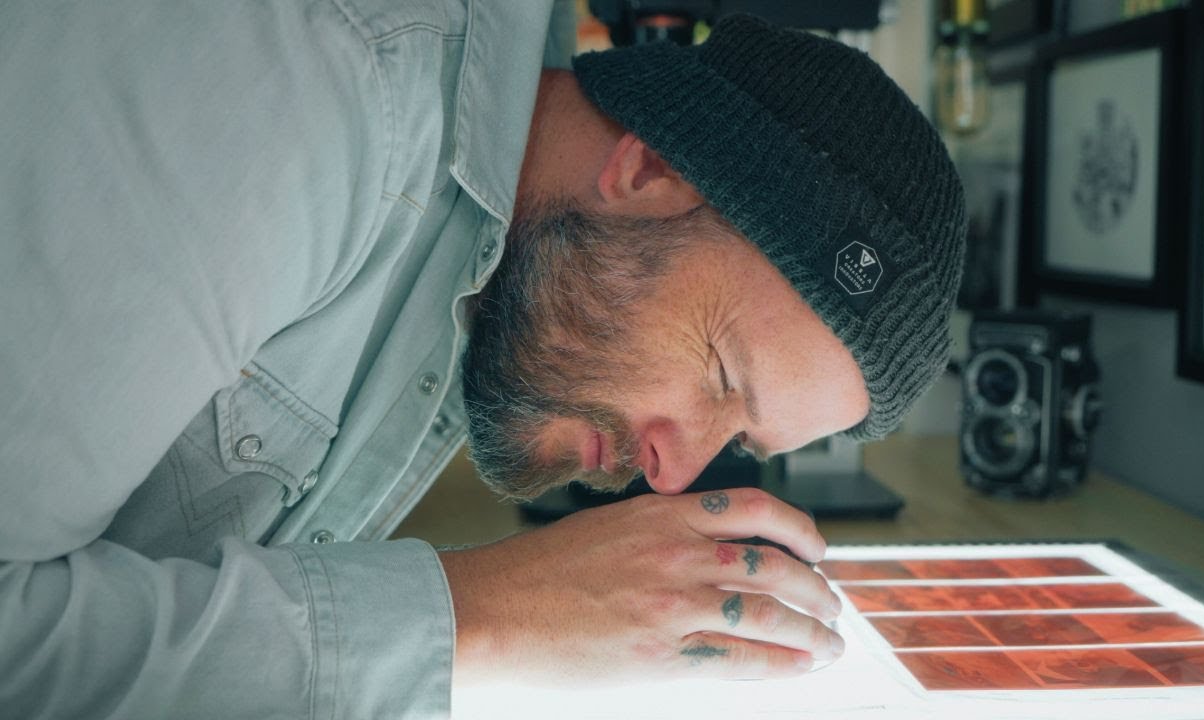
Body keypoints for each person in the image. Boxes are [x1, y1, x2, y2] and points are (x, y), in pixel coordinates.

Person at [0, 0, 965, 717]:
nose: (672, 474)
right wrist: (490, 614)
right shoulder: (325, 83)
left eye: (738, 440)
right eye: (718, 372)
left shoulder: (493, 277)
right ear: (649, 169)